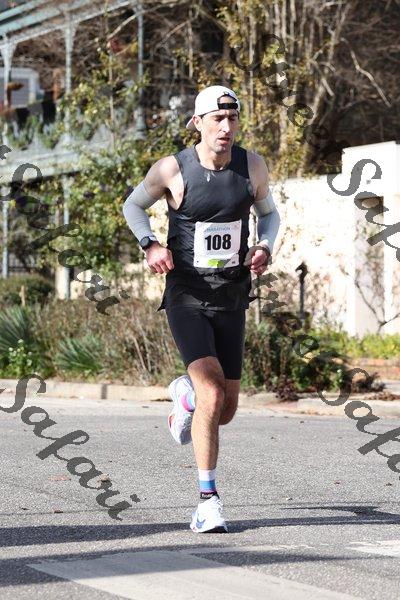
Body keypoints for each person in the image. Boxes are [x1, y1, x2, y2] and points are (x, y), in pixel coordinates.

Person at [122, 85, 280, 533]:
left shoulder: (252, 166)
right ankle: (208, 502)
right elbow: (133, 205)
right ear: (198, 123)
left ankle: (185, 397)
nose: (226, 128)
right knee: (213, 393)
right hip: (187, 294)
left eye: (233, 119)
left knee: (225, 408)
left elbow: (269, 215)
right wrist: (150, 243)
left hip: (232, 294)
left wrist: (265, 245)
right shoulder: (173, 168)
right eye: (217, 119)